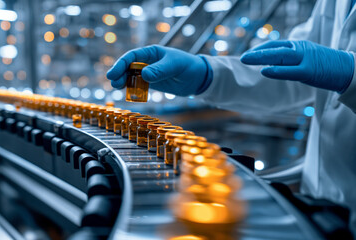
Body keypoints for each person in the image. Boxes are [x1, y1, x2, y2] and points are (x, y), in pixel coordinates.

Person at [107, 0, 356, 235]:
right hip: (321, 205)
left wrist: (351, 74)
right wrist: (206, 73)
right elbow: (292, 69)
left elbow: (324, 65)